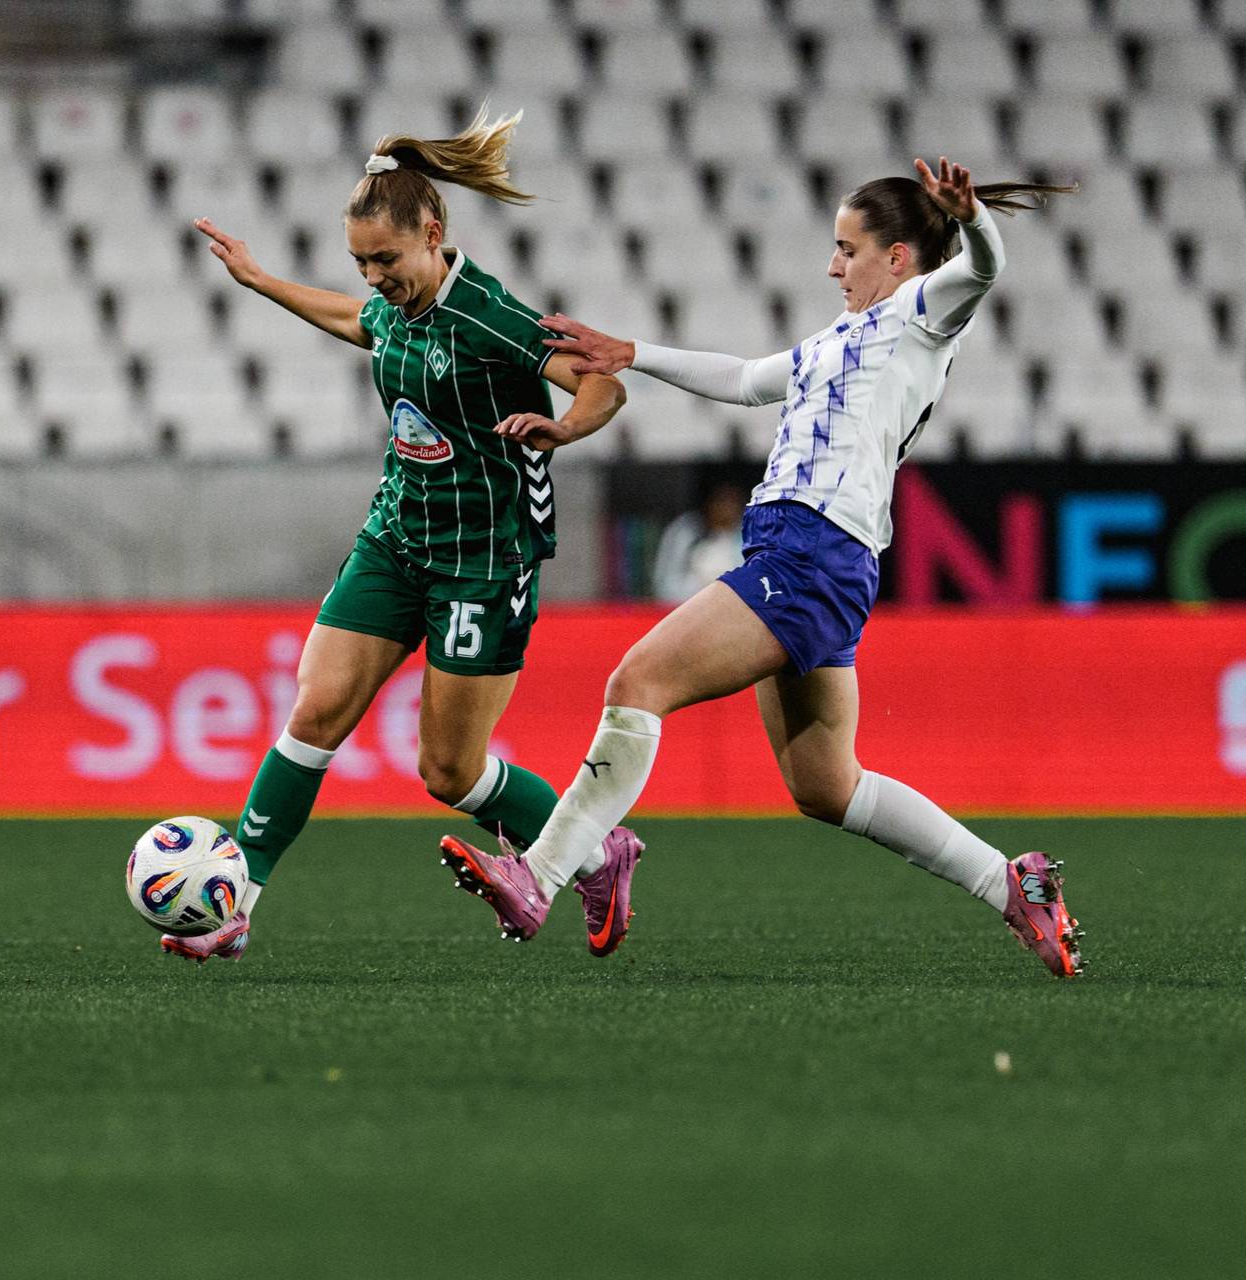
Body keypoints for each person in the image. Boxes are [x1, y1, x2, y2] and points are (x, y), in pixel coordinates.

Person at [435, 157, 1088, 978]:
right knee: (826, 786)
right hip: (806, 553)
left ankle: (541, 876)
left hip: (814, 550)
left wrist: (973, 221)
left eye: (848, 249)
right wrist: (631, 353)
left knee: (639, 681)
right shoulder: (840, 338)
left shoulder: (921, 313)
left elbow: (984, 270)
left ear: (898, 258)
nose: (833, 266)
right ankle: (1010, 882)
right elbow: (745, 380)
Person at [165, 110, 643, 964]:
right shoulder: (396, 308)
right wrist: (261, 280)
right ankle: (236, 904)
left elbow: (602, 385)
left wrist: (565, 428)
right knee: (316, 710)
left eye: (385, 259)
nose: (374, 277)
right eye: (361, 262)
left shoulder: (489, 318)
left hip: (482, 562)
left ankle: (598, 850)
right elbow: (361, 322)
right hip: (395, 538)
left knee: (449, 773)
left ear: (433, 232)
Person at [651, 477, 747, 602]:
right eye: (722, 501)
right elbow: (666, 583)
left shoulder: (749, 535)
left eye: (733, 502)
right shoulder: (686, 531)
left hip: (733, 605)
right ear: (709, 503)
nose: (727, 508)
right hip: (686, 603)